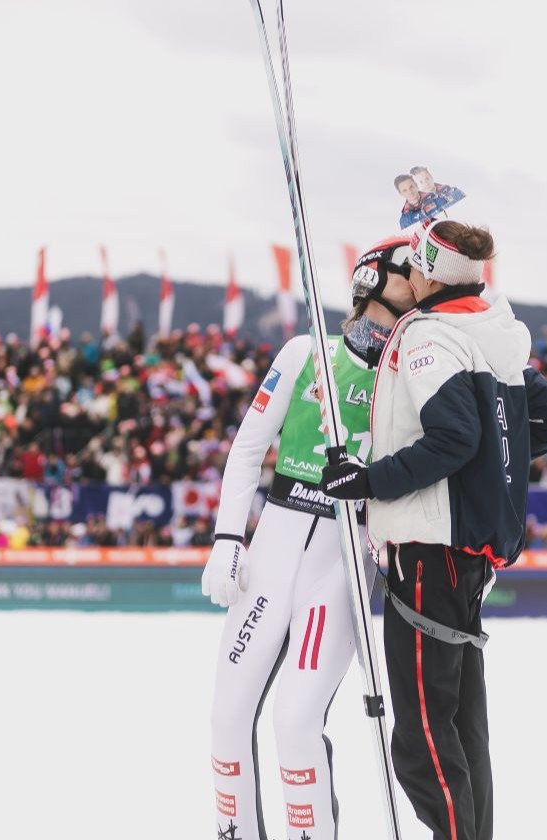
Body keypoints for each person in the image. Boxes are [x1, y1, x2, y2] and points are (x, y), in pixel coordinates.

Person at [322, 220, 547, 840]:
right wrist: (487, 474)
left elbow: (455, 438)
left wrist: (369, 480)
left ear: (431, 275)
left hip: (428, 551)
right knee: (462, 724)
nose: (406, 274)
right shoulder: (493, 330)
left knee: (422, 736)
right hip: (468, 554)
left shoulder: (429, 337)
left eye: (413, 265)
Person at [203, 237, 417, 840]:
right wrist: (227, 538)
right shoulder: (306, 354)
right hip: (273, 546)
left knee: (295, 722)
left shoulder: (413, 370)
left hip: (342, 562)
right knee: (226, 717)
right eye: (409, 270)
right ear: (373, 278)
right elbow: (247, 450)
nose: (420, 280)